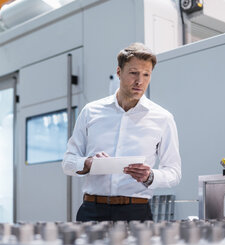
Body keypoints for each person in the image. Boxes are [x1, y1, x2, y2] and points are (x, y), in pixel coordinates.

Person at [62, 42, 181, 222]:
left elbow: (174, 173)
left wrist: (150, 176)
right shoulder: (90, 111)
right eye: (133, 73)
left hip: (136, 213)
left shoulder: (163, 118)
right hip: (91, 211)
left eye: (146, 74)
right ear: (119, 72)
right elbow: (68, 162)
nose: (140, 81)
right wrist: (87, 163)